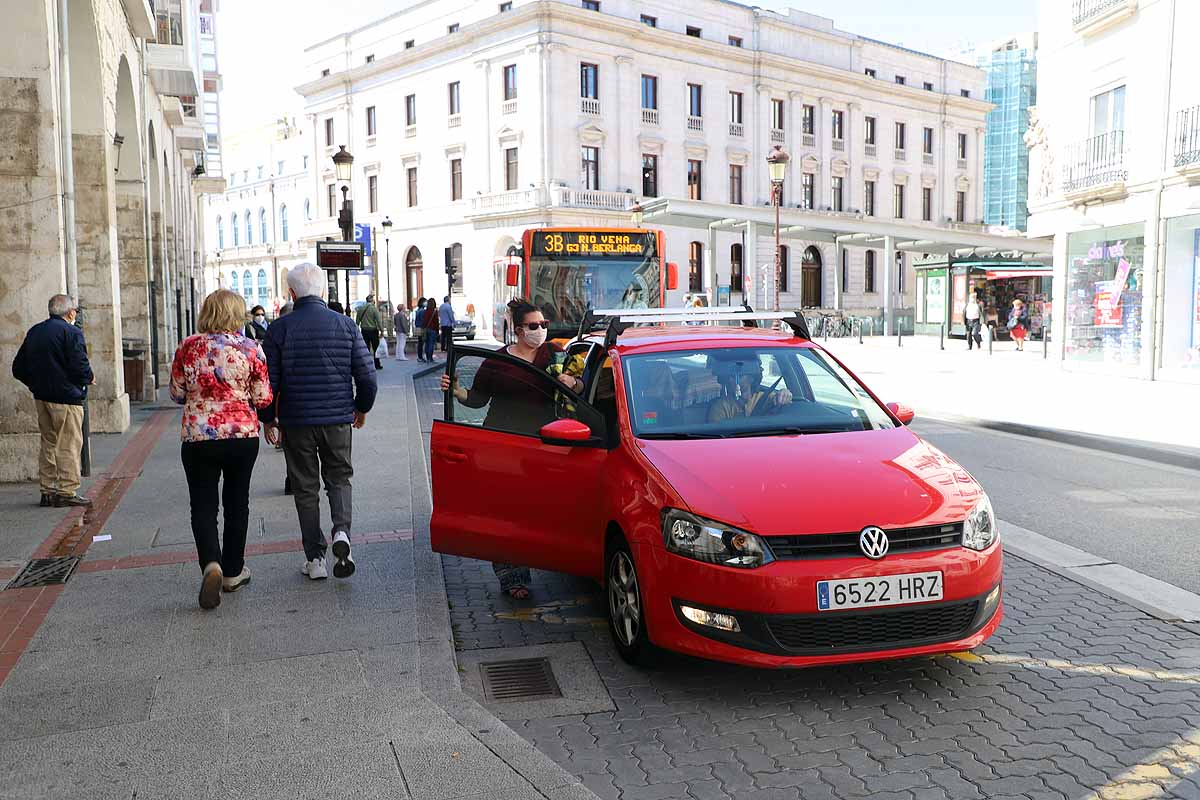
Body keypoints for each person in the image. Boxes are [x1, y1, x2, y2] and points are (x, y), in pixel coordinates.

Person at [441, 299, 580, 598]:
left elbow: (579, 388)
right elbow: (477, 399)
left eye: (544, 325)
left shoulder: (554, 354)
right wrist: (455, 391)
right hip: (504, 444)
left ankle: (556, 559)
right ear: (518, 330)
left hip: (545, 444)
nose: (541, 330)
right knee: (506, 512)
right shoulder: (498, 361)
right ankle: (513, 577)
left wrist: (572, 381)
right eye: (534, 326)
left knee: (540, 509)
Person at [261, 263, 378, 582]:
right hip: (338, 418)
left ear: (291, 293)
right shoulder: (345, 325)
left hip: (296, 420)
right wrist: (361, 407)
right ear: (323, 292)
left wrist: (268, 418)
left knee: (305, 488)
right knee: (339, 478)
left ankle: (315, 558)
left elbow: (269, 382)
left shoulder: (278, 330)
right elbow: (367, 377)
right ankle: (342, 534)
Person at [169, 290, 273, 609]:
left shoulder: (188, 347)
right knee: (237, 502)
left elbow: (176, 393)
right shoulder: (251, 348)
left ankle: (210, 564)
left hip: (198, 437)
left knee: (202, 504)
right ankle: (232, 572)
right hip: (241, 436)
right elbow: (264, 398)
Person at [11, 294, 95, 508]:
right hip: (67, 398)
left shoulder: (35, 332)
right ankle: (66, 490)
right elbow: (79, 366)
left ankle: (47, 490)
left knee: (48, 443)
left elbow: (18, 368)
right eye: (75, 310)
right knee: (68, 443)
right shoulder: (72, 332)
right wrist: (88, 378)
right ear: (70, 313)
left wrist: (35, 384)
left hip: (42, 397)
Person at [706, 359, 793, 423]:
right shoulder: (721, 407)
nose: (732, 380)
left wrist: (785, 393)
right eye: (730, 376)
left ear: (751, 378)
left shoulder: (766, 398)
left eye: (739, 376)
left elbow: (783, 400)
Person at [357, 294, 384, 371]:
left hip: (364, 330)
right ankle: (377, 364)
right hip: (373, 330)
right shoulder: (374, 309)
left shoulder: (361, 308)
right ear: (372, 300)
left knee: (365, 348)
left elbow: (357, 321)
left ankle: (366, 364)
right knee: (376, 348)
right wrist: (381, 330)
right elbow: (378, 321)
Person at [422, 297, 439, 362]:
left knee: (427, 343)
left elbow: (424, 321)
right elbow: (436, 322)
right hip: (433, 329)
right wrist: (437, 330)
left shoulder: (425, 311)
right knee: (431, 343)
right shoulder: (434, 311)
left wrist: (424, 328)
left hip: (426, 329)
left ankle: (427, 357)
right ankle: (430, 357)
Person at [413, 297, 428, 362]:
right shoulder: (422, 311)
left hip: (418, 327)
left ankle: (420, 356)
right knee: (421, 343)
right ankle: (420, 357)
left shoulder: (418, 310)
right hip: (422, 328)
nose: (426, 303)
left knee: (420, 343)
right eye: (425, 301)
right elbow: (423, 320)